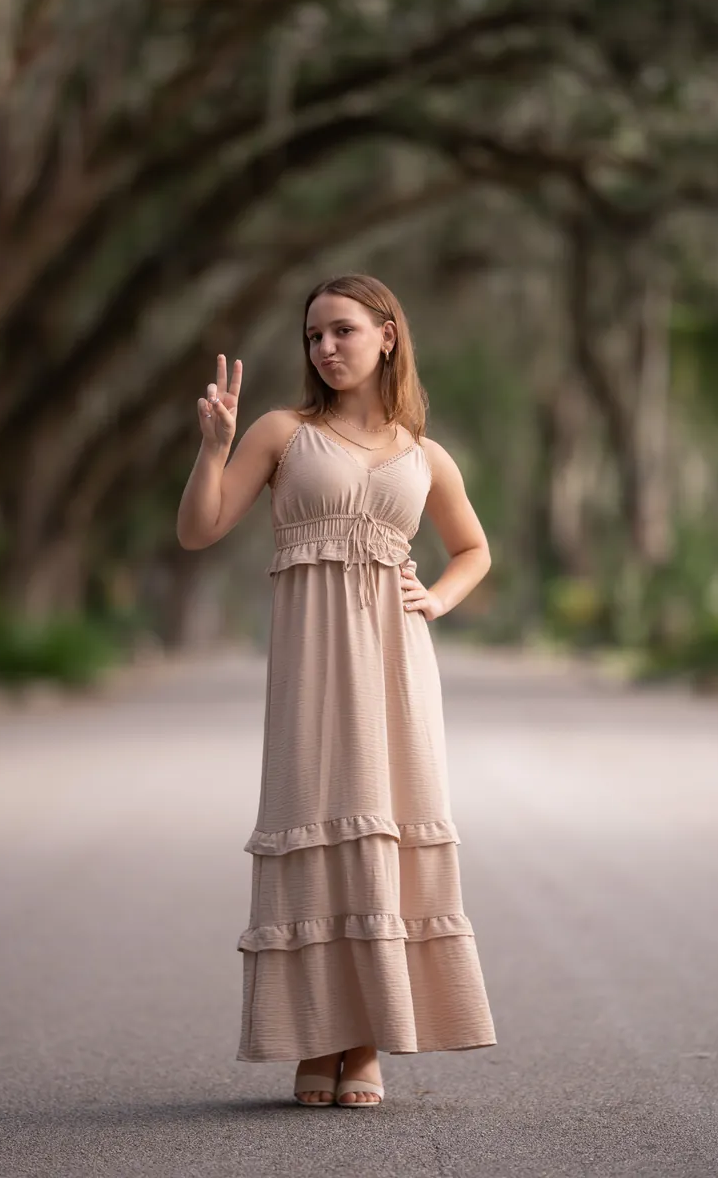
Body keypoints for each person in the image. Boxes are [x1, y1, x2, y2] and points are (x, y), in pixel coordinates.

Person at [177, 273, 496, 1109]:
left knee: (379, 828)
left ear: (388, 334)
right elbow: (200, 529)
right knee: (315, 821)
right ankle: (313, 1036)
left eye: (343, 330)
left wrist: (440, 599)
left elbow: (473, 550)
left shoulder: (424, 454)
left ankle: (362, 1046)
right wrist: (214, 448)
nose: (325, 347)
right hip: (312, 667)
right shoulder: (284, 433)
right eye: (314, 335)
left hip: (395, 668)